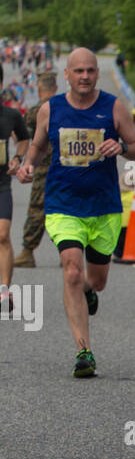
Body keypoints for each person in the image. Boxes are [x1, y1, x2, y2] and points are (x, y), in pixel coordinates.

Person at [16, 46, 135, 377]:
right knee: (71, 269)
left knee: (96, 281)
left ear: (96, 74)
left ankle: (89, 290)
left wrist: (123, 147)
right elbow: (39, 144)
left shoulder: (113, 107)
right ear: (67, 75)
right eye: (79, 71)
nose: (85, 76)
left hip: (104, 207)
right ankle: (83, 351)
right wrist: (29, 163)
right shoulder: (51, 109)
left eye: (90, 70)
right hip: (63, 204)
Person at [14, 71, 58, 268]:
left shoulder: (35, 111)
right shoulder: (64, 107)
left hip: (42, 169)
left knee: (37, 209)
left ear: (39, 88)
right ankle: (69, 253)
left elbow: (20, 137)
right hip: (65, 168)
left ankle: (27, 251)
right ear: (56, 88)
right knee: (66, 210)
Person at [0, 95, 30, 305]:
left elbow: (24, 138)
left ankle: (4, 290)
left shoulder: (10, 115)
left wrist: (18, 158)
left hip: (1, 184)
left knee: (2, 235)